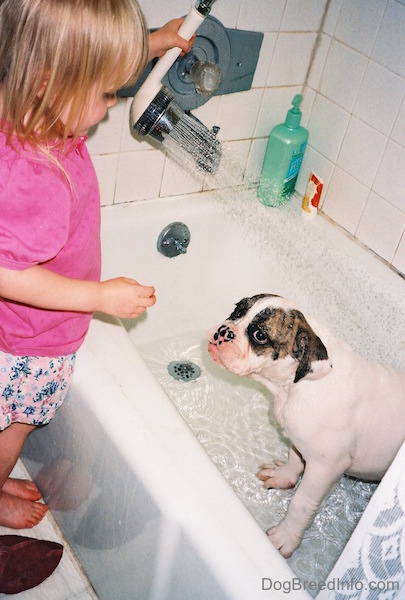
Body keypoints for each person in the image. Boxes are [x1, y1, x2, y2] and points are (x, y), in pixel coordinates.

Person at [0, 0, 193, 530]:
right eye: (106, 91)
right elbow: (6, 271)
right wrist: (99, 297)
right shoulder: (36, 174)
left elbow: (83, 65)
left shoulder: (32, 114)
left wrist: (153, 43)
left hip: (24, 333)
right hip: (32, 341)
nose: (112, 104)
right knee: (15, 428)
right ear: (48, 81)